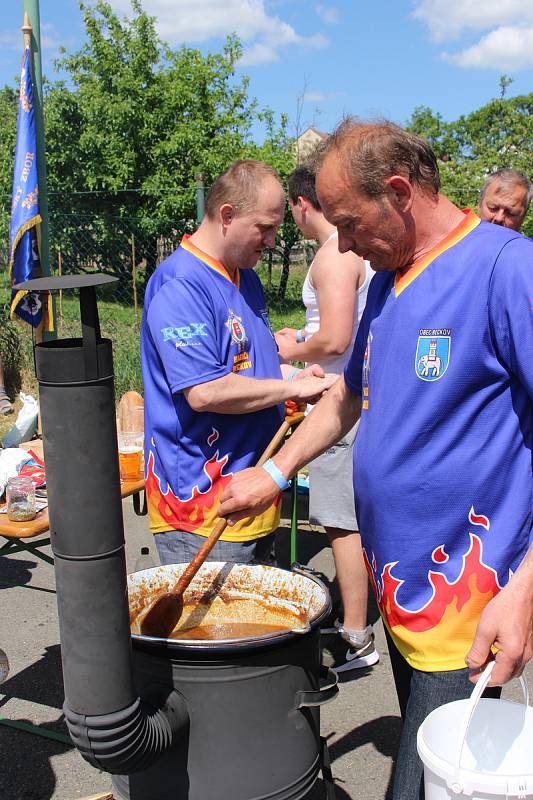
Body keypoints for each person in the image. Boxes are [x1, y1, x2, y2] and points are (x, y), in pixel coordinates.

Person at [218, 122, 533, 800]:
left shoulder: (507, 269)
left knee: (425, 785)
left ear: (396, 193)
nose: (346, 244)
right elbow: (345, 398)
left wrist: (526, 587)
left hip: (472, 605)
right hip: (404, 592)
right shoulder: (388, 284)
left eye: (351, 224)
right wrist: (273, 475)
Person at [140, 159, 334, 567]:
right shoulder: (181, 284)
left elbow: (252, 369)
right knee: (214, 628)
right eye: (265, 227)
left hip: (255, 496)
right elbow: (206, 390)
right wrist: (289, 388)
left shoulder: (244, 276)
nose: (272, 240)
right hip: (201, 509)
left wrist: (297, 376)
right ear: (227, 215)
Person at [275, 163, 378, 672]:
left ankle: (356, 638)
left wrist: (292, 347)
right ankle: (357, 621)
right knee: (351, 516)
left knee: (340, 522)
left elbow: (336, 338)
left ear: (300, 203)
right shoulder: (344, 251)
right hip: (347, 391)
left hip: (338, 399)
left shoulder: (334, 254)